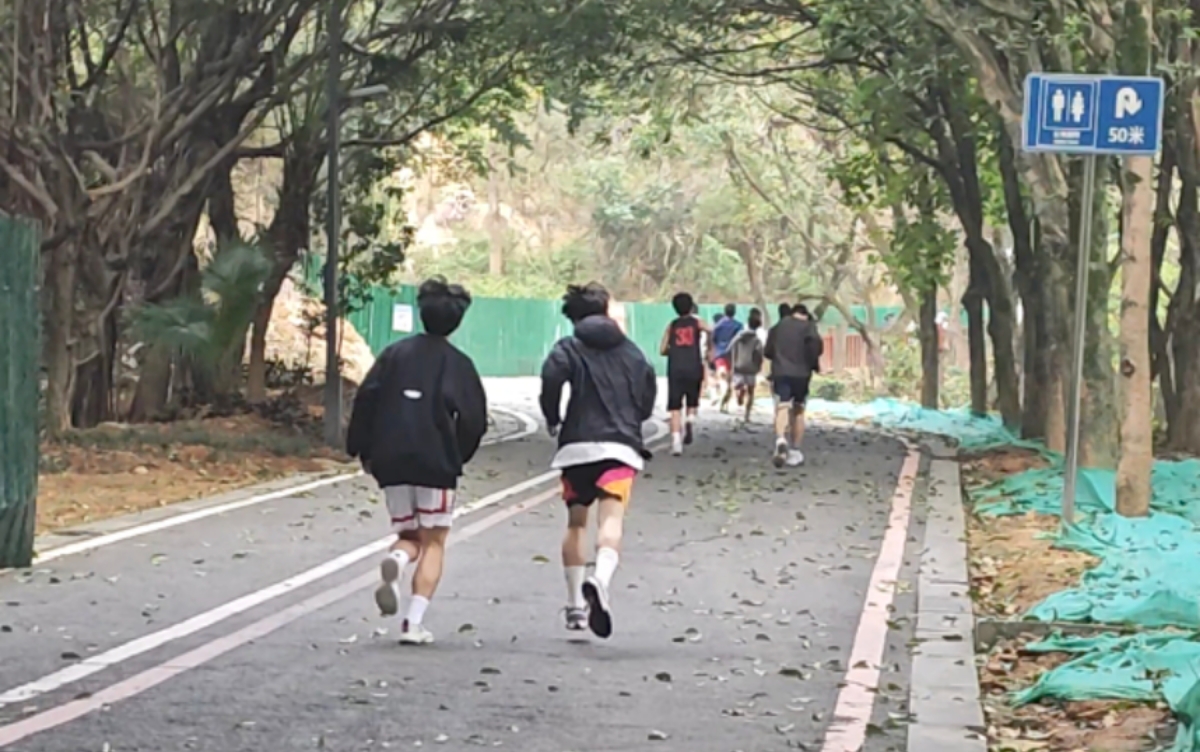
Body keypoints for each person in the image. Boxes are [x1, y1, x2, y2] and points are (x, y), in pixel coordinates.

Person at [346, 277, 487, 645]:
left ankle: (398, 558)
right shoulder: (460, 364)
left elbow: (366, 400)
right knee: (435, 541)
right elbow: (474, 421)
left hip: (391, 461)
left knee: (409, 535)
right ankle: (413, 623)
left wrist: (361, 449)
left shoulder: (393, 355)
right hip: (436, 464)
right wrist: (456, 455)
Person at [540, 283, 657, 638]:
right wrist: (632, 418)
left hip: (576, 448)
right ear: (605, 311)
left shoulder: (568, 347)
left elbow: (551, 378)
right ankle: (601, 580)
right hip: (620, 448)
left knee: (577, 523)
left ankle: (575, 605)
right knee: (611, 519)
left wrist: (553, 417)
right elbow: (646, 396)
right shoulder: (632, 352)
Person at [764, 303, 823, 468]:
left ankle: (781, 439)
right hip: (801, 374)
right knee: (798, 410)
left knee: (782, 406)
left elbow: (767, 352)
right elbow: (815, 348)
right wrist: (814, 365)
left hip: (781, 372)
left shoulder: (777, 327)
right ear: (804, 314)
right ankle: (795, 450)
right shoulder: (809, 327)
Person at [661, 292, 710, 455]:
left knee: (675, 407)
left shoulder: (672, 325)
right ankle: (690, 419)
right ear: (691, 306)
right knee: (692, 400)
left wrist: (673, 351)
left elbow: (662, 349)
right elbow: (711, 330)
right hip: (693, 365)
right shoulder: (697, 323)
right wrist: (710, 347)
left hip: (675, 368)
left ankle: (676, 442)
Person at [724, 308, 765, 423]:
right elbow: (759, 353)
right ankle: (747, 415)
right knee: (751, 392)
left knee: (738, 385)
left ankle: (740, 391)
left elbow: (728, 349)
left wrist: (733, 361)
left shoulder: (739, 336)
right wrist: (758, 366)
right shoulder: (757, 340)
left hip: (738, 366)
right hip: (751, 368)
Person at [710, 304, 743, 410]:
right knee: (729, 379)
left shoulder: (718, 325)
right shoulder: (739, 325)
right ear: (734, 312)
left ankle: (723, 399)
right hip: (733, 355)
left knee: (722, 377)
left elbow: (713, 340)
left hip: (720, 354)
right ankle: (726, 404)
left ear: (725, 312)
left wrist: (711, 353)